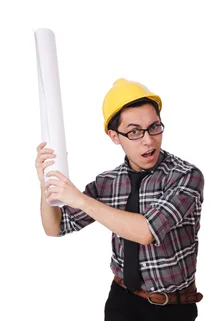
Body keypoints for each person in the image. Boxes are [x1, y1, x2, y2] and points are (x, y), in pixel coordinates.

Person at [35, 78, 205, 321]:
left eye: (154, 127)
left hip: (172, 308)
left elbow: (146, 231)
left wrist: (82, 200)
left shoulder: (186, 176)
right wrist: (45, 183)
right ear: (114, 136)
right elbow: (55, 227)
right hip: (121, 301)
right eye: (135, 131)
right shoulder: (108, 183)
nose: (148, 140)